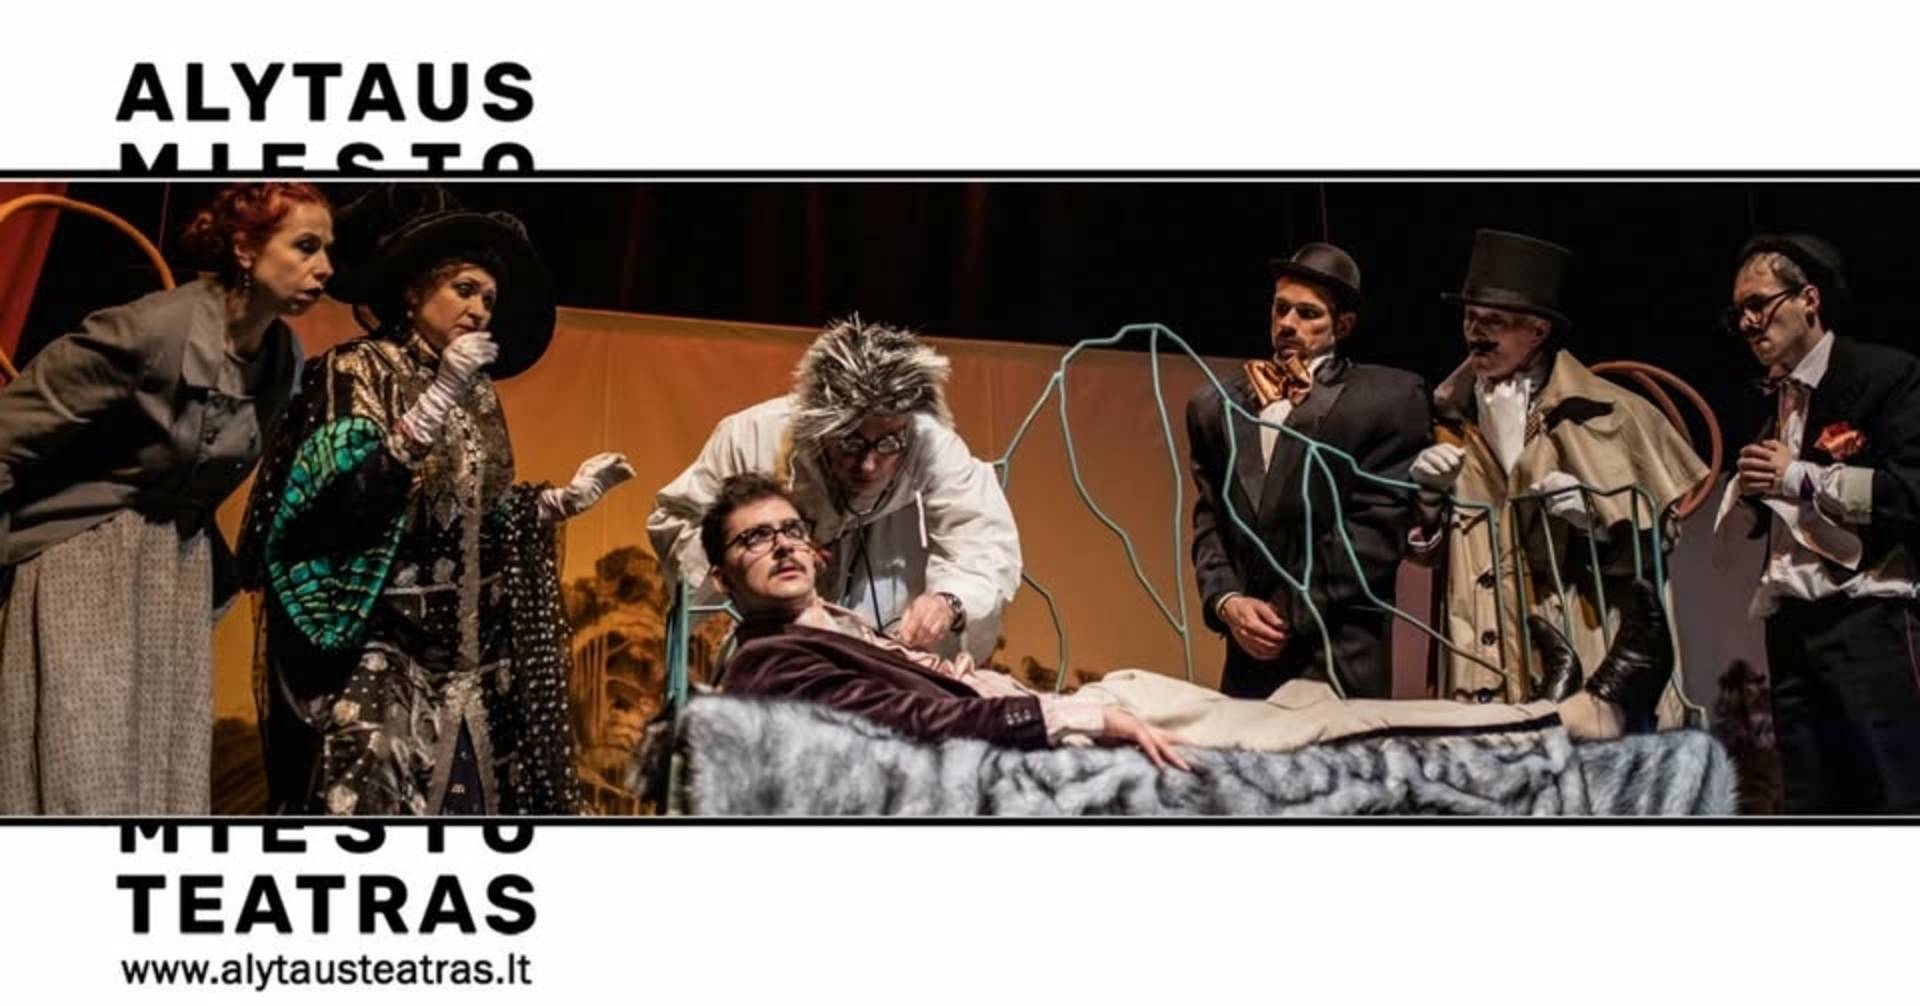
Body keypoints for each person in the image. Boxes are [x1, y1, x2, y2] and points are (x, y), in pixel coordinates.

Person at [702, 473, 1673, 766]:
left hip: (1069, 704)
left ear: (815, 546)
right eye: (754, 541)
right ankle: (1580, 717)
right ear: (721, 571)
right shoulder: (765, 665)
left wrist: (953, 646)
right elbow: (914, 723)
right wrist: (1076, 716)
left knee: (1306, 700)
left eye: (789, 530)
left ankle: (1522, 718)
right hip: (1057, 732)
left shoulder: (836, 621)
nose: (781, 546)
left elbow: (922, 688)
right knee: (1321, 729)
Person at [239, 184, 634, 816]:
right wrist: (434, 401)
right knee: (369, 798)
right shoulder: (356, 369)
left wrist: (556, 504)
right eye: (465, 289)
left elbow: (472, 516)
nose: (479, 309)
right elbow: (340, 501)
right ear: (414, 292)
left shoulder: (478, 394)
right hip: (380, 643)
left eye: (489, 299)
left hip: (466, 656)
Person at [0, 182, 333, 814]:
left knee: (162, 783)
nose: (325, 268)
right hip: (87, 557)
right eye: (306, 246)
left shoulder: (282, 358)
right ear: (245, 248)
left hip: (173, 574)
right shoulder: (151, 331)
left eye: (326, 250)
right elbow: (9, 433)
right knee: (86, 774)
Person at [1409, 230, 1708, 722]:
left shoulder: (1609, 414)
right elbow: (1429, 557)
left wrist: (1594, 522)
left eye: (1494, 321)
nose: (1476, 332)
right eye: (1470, 318)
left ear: (1538, 330)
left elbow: (1656, 546)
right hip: (1483, 658)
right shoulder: (1447, 419)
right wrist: (1427, 503)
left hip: (1582, 645)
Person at [650, 316, 1019, 662]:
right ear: (820, 427)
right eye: (850, 442)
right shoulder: (752, 437)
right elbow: (679, 523)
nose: (869, 464)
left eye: (888, 443)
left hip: (892, 600)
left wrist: (949, 601)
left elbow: (982, 541)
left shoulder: (931, 444)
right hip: (774, 623)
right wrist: (763, 553)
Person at [1714, 233, 1920, 813]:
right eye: (1739, 312)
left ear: (1809, 299)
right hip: (1792, 627)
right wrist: (1752, 496)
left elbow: (1909, 494)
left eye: (1759, 304)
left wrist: (1799, 477)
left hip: (1868, 620)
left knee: (1893, 791)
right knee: (1811, 802)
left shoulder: (1884, 374)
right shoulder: (1769, 400)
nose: (1748, 323)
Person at [1187, 242, 1429, 700]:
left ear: (1343, 325)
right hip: (1248, 661)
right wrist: (1227, 601)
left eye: (1307, 313)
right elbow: (1210, 518)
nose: (1288, 323)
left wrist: (1286, 610)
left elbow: (1376, 529)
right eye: (1280, 309)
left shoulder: (1385, 401)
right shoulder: (1214, 405)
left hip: (1339, 657)